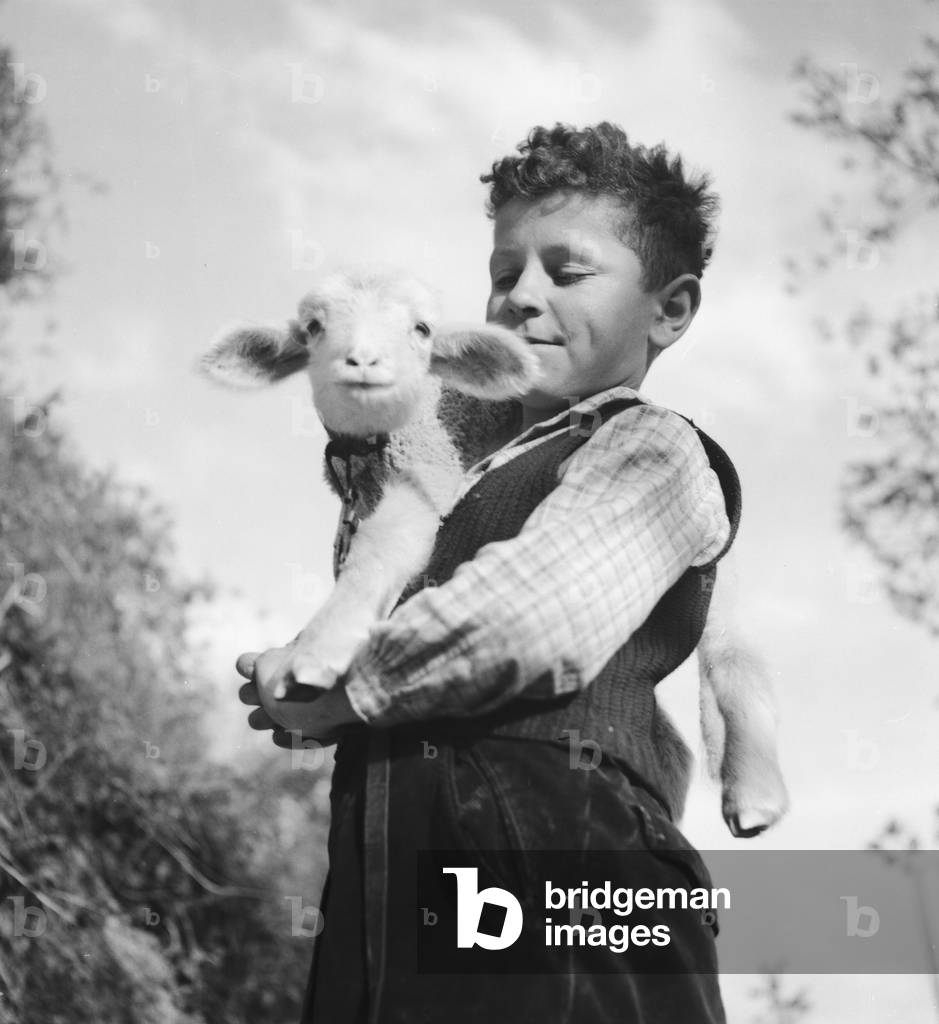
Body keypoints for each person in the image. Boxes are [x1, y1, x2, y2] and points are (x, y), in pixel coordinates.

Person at [237, 121, 737, 1023]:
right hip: (392, 882)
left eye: (566, 270)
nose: (518, 298)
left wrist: (344, 688)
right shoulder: (448, 467)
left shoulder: (651, 450)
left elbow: (532, 621)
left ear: (669, 308)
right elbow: (376, 574)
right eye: (504, 273)